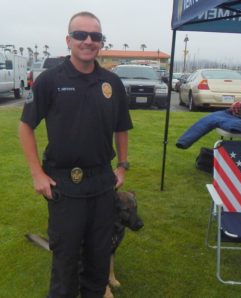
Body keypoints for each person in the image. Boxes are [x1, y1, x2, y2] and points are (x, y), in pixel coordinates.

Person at [19, 11, 133, 297]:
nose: (88, 41)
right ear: (69, 40)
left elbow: (122, 127)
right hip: (63, 186)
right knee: (66, 262)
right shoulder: (49, 80)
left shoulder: (112, 83)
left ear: (100, 42)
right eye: (81, 35)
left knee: (97, 260)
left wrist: (121, 166)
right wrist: (37, 174)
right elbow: (25, 127)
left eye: (95, 36)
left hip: (101, 184)